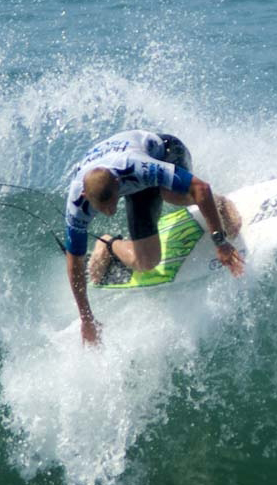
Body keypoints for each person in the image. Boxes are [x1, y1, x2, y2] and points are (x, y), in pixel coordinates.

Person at [64, 129, 244, 345]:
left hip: (166, 151)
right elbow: (74, 260)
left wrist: (220, 241)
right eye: (102, 208)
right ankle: (109, 245)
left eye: (113, 202)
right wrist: (87, 318)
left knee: (173, 192)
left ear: (117, 183)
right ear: (85, 196)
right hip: (121, 176)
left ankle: (219, 203)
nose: (111, 211)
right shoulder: (77, 204)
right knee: (147, 261)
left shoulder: (136, 169)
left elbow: (200, 187)